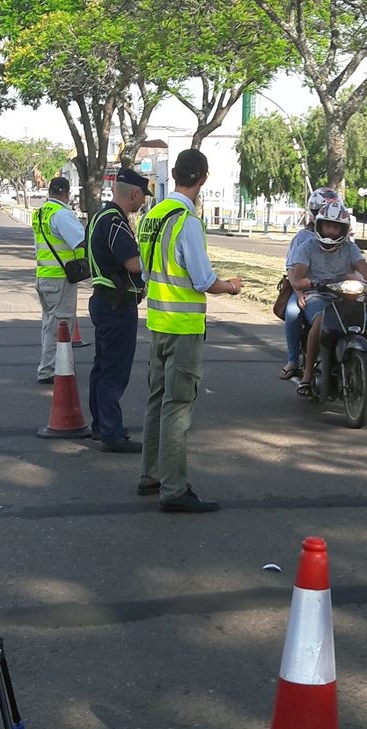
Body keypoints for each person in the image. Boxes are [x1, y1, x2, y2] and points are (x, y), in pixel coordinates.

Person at [136, 148, 242, 513]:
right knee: (177, 407)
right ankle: (174, 488)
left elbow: (148, 271)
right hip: (183, 326)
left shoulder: (152, 215)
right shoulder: (187, 221)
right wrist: (231, 286)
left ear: (176, 174)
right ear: (203, 178)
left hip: (157, 322)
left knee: (156, 401)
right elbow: (203, 280)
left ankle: (150, 474)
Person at [287, 201, 367, 397]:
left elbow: (364, 270)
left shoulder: (350, 248)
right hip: (317, 295)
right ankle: (307, 376)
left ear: (343, 229)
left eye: (336, 227)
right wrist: (308, 283)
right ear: (319, 225)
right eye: (327, 225)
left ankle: (358, 361)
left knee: (365, 316)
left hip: (345, 295)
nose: (331, 231)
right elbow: (296, 277)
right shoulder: (307, 247)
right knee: (320, 320)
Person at [85, 167, 151, 453]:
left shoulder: (99, 216)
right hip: (116, 304)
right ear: (134, 194)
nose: (143, 202)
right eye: (143, 197)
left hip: (104, 301)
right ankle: (112, 433)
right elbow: (133, 263)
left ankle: (101, 425)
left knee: (102, 366)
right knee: (114, 370)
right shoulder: (115, 222)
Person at [280, 187, 342, 380]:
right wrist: (298, 291)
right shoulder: (303, 237)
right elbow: (291, 268)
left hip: (336, 290)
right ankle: (293, 360)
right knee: (292, 312)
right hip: (307, 289)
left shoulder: (343, 236)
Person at [32, 176, 86, 385]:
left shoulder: (41, 212)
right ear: (66, 193)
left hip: (45, 275)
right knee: (61, 325)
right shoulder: (61, 214)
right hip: (61, 278)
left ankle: (54, 367)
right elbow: (80, 241)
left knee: (49, 324)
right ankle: (51, 370)